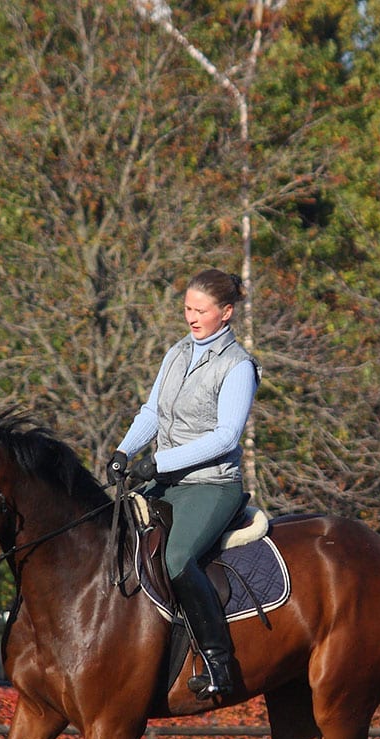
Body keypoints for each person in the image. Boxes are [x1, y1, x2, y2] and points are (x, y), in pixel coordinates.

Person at [108, 267, 259, 699]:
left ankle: (218, 661)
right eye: (187, 308)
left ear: (226, 313)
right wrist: (124, 451)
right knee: (115, 534)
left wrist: (159, 462)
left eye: (201, 310)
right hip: (168, 478)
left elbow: (226, 436)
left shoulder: (238, 367)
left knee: (174, 559)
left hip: (212, 485)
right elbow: (153, 411)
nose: (191, 317)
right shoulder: (177, 352)